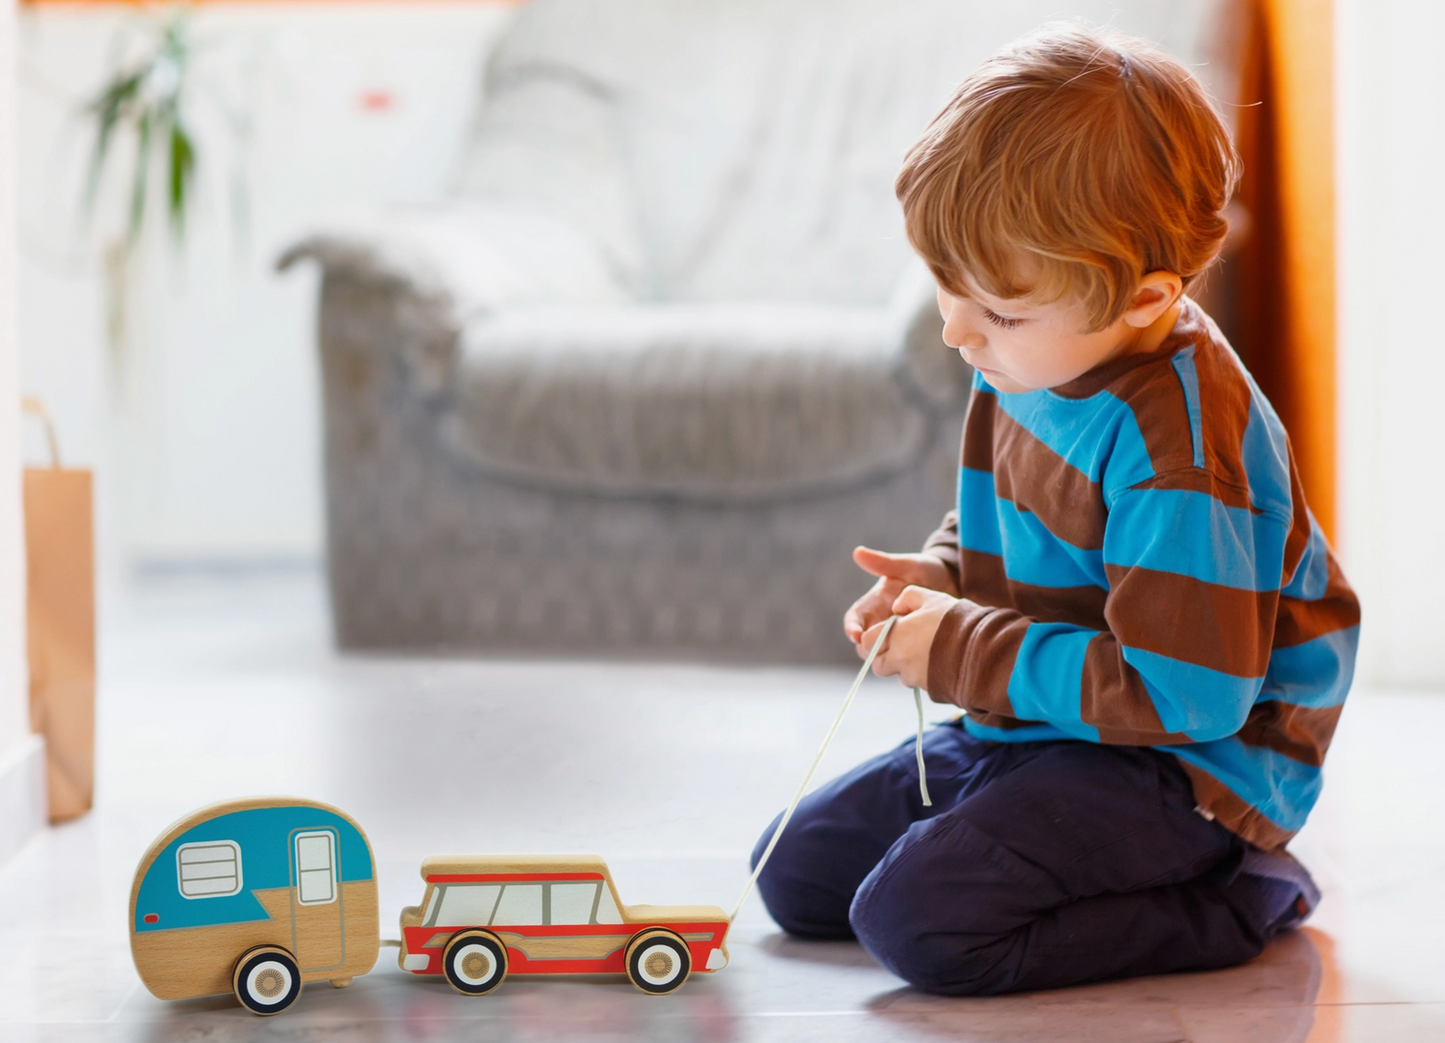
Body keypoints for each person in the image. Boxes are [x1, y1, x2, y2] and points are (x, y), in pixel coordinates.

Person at [749, 23, 1360, 996]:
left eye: (991, 309)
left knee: (916, 923)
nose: (955, 330)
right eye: (944, 288)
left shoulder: (1184, 452)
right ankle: (1023, 824)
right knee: (794, 872)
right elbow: (1013, 518)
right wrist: (945, 576)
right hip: (1047, 721)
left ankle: (1240, 890)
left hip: (1182, 772)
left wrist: (957, 647)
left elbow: (1184, 697)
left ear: (1142, 297)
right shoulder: (1039, 349)